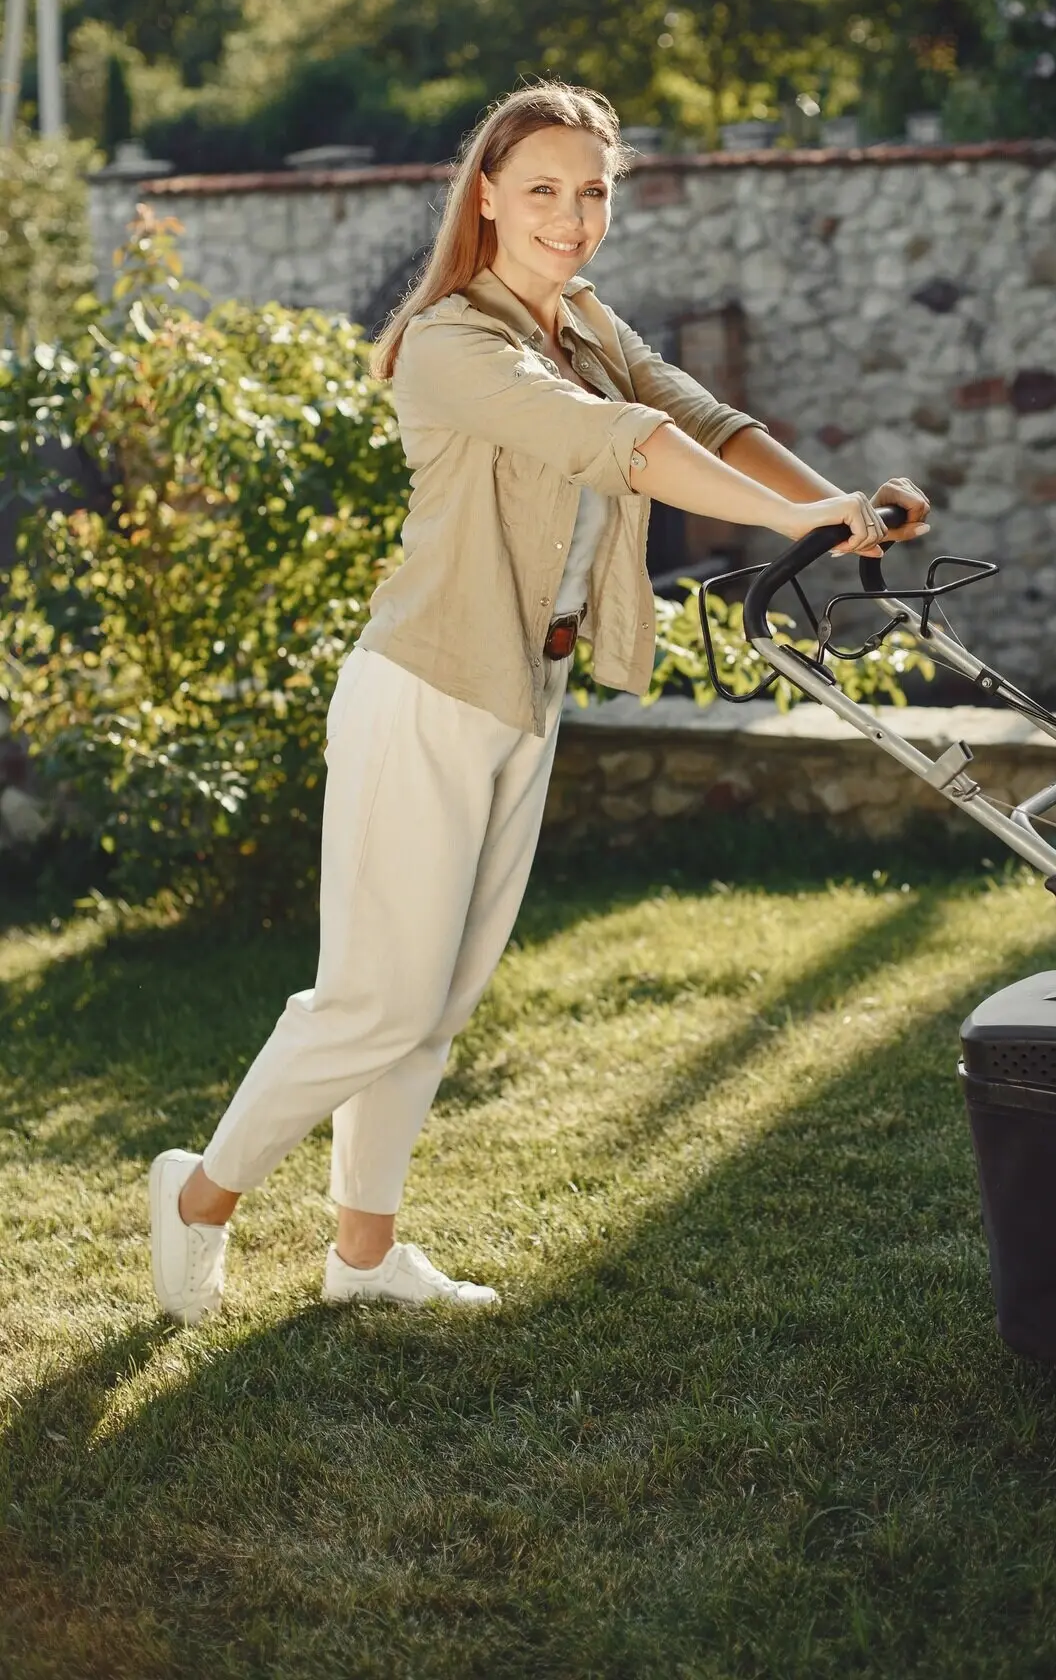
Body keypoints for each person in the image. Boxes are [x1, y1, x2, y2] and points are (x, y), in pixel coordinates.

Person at [148, 81, 930, 1322]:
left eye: (594, 189)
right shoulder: (454, 343)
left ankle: (362, 1253)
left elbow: (708, 424)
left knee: (440, 995)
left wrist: (835, 505)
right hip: (425, 689)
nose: (573, 216)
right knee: (372, 998)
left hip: (528, 686)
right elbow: (611, 441)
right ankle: (199, 1195)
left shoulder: (582, 321)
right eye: (545, 190)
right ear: (490, 197)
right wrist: (790, 519)